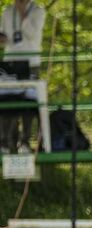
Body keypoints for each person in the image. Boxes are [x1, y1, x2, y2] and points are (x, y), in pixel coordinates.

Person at [0, 0, 45, 153]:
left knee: (28, 101)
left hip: (31, 62)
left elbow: (32, 33)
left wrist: (23, 13)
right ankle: (5, 142)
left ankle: (25, 142)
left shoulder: (38, 11)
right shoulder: (7, 12)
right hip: (10, 63)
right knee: (7, 101)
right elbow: (5, 36)